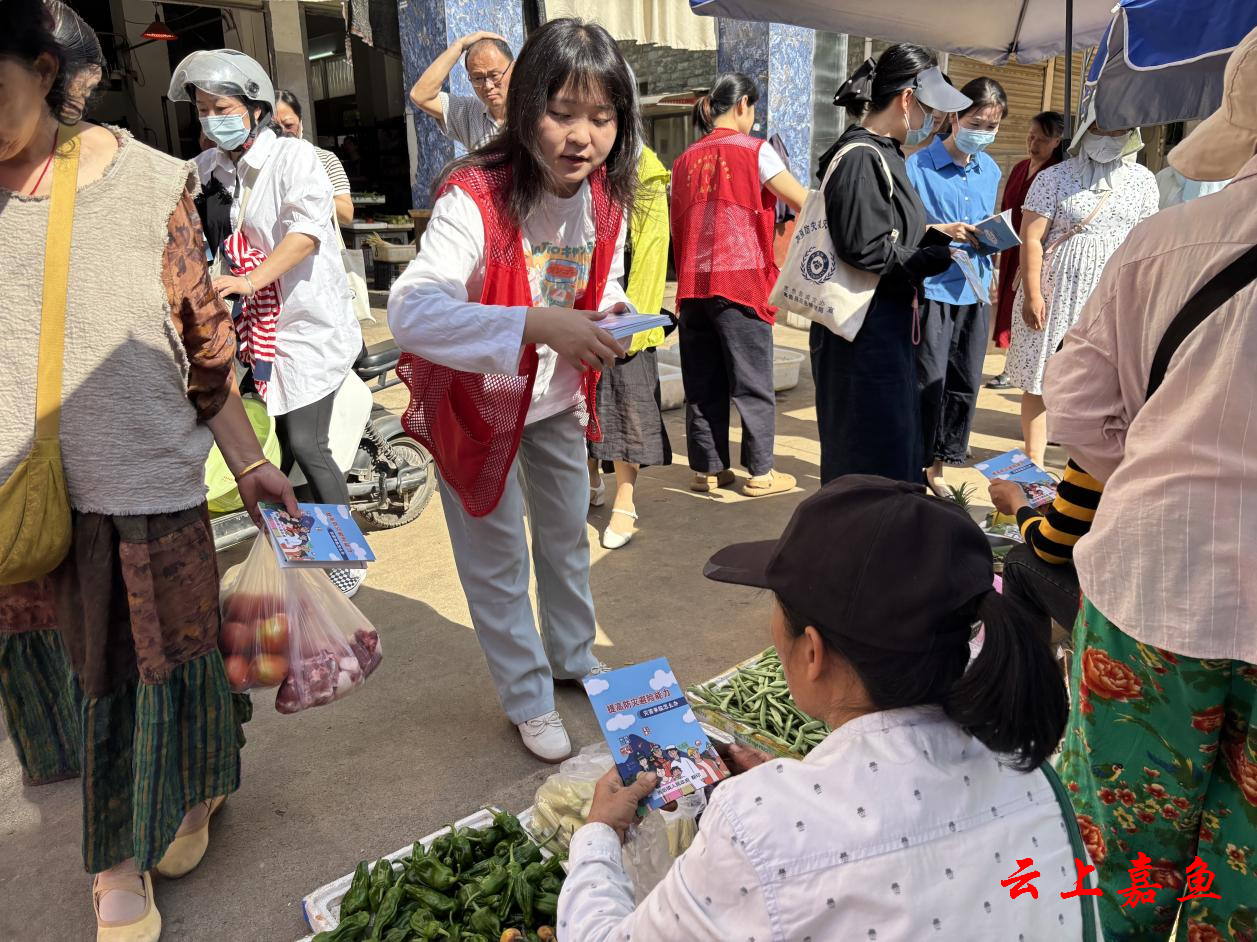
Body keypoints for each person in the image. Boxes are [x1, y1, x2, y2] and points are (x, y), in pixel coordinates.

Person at [0, 2, 298, 937]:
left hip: (145, 492)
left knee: (171, 661)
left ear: (44, 72)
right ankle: (120, 854)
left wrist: (250, 462)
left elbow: (203, 341)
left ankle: (172, 814)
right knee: (88, 678)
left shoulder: (146, 184)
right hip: (20, 508)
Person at [558, 476, 1097, 941]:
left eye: (777, 609)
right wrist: (798, 792)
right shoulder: (1034, 775)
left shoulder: (757, 825)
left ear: (812, 652)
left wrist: (600, 833)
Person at [1044, 27, 1257, 940]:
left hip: (1154, 592)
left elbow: (1081, 408)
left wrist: (1157, 460)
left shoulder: (1164, 241)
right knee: (1245, 882)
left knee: (1121, 858)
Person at [387, 18, 640, 762]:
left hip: (556, 400)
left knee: (565, 540)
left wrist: (614, 315)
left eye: (601, 117)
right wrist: (536, 323)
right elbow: (411, 311)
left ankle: (571, 657)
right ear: (525, 108)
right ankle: (528, 697)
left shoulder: (608, 198)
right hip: (477, 405)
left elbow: (603, 281)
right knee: (496, 559)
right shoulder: (475, 195)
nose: (581, 137)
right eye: (562, 112)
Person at [169, 51, 364, 596]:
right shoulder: (209, 169)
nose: (212, 119)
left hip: (306, 326)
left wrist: (249, 281)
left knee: (306, 442)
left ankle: (345, 560)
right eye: (203, 110)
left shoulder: (295, 158)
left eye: (222, 108)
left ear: (255, 109)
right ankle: (305, 551)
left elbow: (306, 235)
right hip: (254, 332)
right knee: (273, 444)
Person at [0, 0, 102, 791]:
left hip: (89, 448)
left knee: (88, 613)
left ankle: (93, 753)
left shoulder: (111, 174)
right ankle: (59, 749)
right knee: (24, 616)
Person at [813, 48, 977, 485]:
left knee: (889, 444)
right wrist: (927, 258)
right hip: (861, 334)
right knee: (867, 451)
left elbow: (888, 232)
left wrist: (935, 237)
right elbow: (864, 247)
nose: (935, 122)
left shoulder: (887, 153)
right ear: (906, 99)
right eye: (931, 111)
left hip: (883, 326)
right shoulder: (862, 156)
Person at [670, 73, 807, 498]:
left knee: (702, 381)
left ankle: (708, 469)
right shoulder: (756, 150)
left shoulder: (684, 159)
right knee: (752, 381)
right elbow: (803, 201)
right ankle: (761, 472)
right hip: (741, 282)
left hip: (694, 284)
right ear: (744, 103)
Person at [1004, 112, 1159, 467]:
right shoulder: (1053, 178)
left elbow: (1146, 241)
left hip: (1111, 295)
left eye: (1118, 129)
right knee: (1042, 374)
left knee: (1098, 381)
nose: (1109, 136)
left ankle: (1082, 467)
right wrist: (1033, 294)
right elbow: (1032, 238)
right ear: (1085, 129)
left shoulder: (1143, 181)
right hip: (1054, 292)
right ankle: (1034, 460)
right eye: (1101, 127)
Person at [906, 77, 1006, 497]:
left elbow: (987, 223)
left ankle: (941, 464)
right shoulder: (918, 167)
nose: (982, 133)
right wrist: (941, 230)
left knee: (964, 380)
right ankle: (915, 465)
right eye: (975, 123)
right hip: (932, 289)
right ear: (954, 118)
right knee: (927, 381)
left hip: (974, 288)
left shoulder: (991, 170)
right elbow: (904, 231)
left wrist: (992, 240)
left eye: (991, 126)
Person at [587, 142, 672, 549]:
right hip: (577, 298)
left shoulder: (643, 168)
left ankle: (625, 500)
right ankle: (590, 477)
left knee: (626, 404)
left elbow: (652, 251)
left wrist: (633, 324)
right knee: (581, 400)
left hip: (624, 305)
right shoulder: (574, 160)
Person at [988, 461, 1102, 647]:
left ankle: (1031, 661)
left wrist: (1018, 503)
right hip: (1148, 598)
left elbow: (1049, 547)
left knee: (1019, 560)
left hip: (1121, 620)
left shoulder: (1095, 453)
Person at [987, 111, 1064, 382]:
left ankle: (1014, 368)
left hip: (1035, 253)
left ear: (1057, 141)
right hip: (1010, 248)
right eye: (1031, 137)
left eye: (1042, 139)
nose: (1034, 144)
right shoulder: (1020, 167)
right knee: (1006, 306)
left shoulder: (1055, 174)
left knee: (1024, 306)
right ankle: (1009, 364)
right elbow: (1006, 210)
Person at [409, 30, 512, 151]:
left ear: (514, 68)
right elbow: (420, 95)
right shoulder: (469, 113)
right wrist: (459, 45)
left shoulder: (529, 111)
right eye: (478, 78)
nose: (488, 86)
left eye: (494, 75)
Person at [273, 89, 353, 226]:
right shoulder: (257, 163)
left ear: (301, 123)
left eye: (289, 125)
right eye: (274, 128)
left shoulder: (325, 159)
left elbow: (346, 214)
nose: (283, 132)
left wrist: (309, 195)